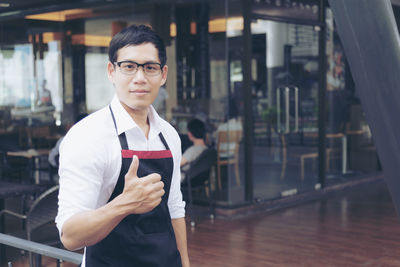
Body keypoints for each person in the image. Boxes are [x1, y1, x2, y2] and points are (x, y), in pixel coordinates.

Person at [56, 25, 189, 267]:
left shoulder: (169, 134)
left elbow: (174, 208)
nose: (140, 78)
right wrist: (126, 203)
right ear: (111, 71)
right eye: (129, 67)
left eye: (150, 67)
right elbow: (70, 236)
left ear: (163, 74)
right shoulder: (88, 136)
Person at [180, 119, 207, 183]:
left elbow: (177, 165)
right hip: (200, 179)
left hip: (186, 178)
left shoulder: (192, 151)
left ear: (190, 134)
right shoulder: (206, 149)